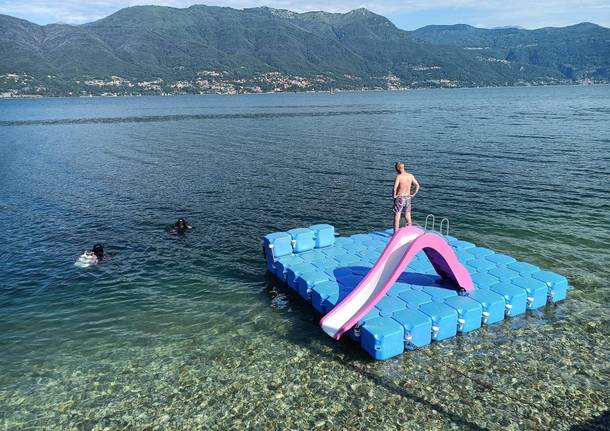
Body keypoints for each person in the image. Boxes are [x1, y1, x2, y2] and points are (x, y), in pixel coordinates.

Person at [392, 161, 420, 232]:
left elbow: (395, 188)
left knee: (397, 215)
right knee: (408, 215)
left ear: (397, 168)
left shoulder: (399, 177)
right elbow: (417, 185)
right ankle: (409, 231)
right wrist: (413, 194)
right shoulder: (410, 176)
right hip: (408, 197)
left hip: (400, 197)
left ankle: (395, 233)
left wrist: (394, 195)